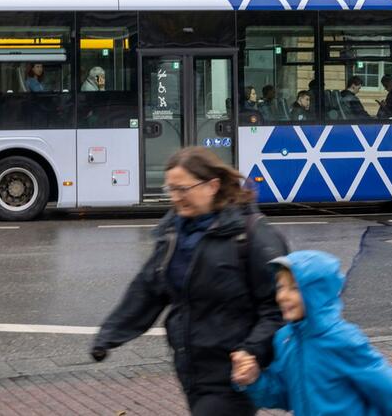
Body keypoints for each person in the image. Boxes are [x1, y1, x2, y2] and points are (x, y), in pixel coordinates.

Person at [91, 147, 289, 416]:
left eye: (182, 189)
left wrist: (251, 352)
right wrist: (110, 335)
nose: (175, 198)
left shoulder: (252, 236)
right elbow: (148, 289)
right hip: (191, 370)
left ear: (213, 185)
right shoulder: (174, 233)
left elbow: (277, 308)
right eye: (170, 190)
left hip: (234, 373)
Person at [231, 250, 392, 416]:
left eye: (294, 288)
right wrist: (254, 380)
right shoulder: (285, 340)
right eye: (280, 287)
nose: (283, 296)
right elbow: (283, 395)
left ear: (316, 293)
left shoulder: (342, 340)